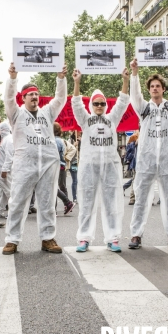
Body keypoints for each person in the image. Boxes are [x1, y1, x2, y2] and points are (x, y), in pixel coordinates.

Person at [2, 62, 68, 255]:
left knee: (47, 202)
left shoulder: (47, 112)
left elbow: (60, 98)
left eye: (36, 94)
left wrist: (60, 78)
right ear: (23, 98)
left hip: (48, 163)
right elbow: (8, 98)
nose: (34, 96)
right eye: (30, 94)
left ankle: (48, 238)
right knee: (17, 202)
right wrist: (13, 79)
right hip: (24, 164)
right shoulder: (16, 114)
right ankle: (12, 240)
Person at [128, 57, 168, 250]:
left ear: (163, 89)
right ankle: (136, 234)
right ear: (149, 90)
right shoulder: (144, 109)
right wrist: (135, 73)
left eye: (158, 86)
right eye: (152, 86)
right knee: (141, 198)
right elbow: (134, 95)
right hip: (146, 160)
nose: (155, 88)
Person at [71, 68, 130, 252]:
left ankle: (112, 238)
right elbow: (76, 104)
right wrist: (77, 82)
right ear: (91, 105)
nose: (99, 106)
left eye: (102, 103)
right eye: (96, 103)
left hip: (110, 167)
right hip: (89, 167)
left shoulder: (112, 119)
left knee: (111, 204)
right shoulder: (85, 120)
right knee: (87, 203)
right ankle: (84, 238)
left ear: (105, 105)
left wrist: (126, 80)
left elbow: (122, 102)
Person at [54, 122, 75, 214]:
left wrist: (67, 158)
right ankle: (66, 204)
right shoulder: (60, 140)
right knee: (60, 186)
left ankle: (66, 204)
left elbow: (73, 149)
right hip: (61, 165)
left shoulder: (55, 141)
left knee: (53, 187)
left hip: (56, 165)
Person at [0, 121, 13, 218]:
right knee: (2, 192)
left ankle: (14, 212)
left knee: (10, 191)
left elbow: (9, 157)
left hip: (6, 171)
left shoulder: (9, 140)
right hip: (2, 170)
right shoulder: (5, 139)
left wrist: (5, 170)